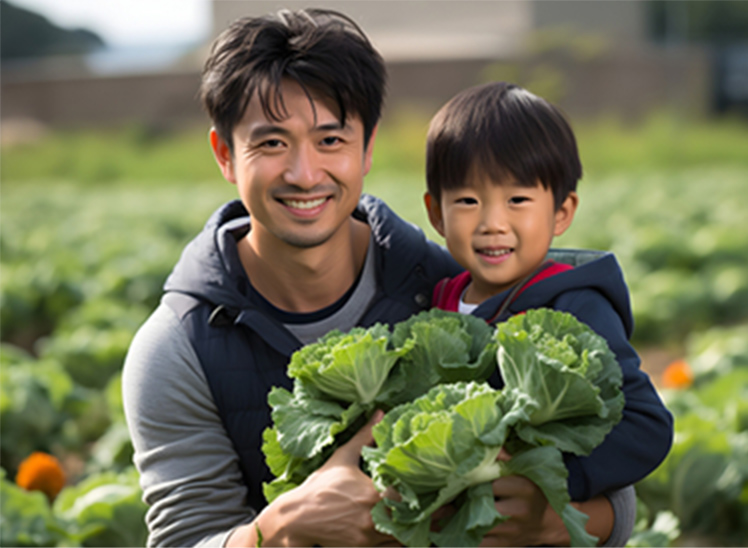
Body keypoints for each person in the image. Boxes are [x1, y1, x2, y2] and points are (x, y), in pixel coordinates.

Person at [123, 9, 638, 548]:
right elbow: (185, 537)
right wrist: (273, 532)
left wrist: (552, 519)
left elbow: (611, 480)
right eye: (272, 143)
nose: (304, 174)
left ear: (367, 149)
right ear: (226, 154)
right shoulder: (175, 348)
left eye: (330, 141)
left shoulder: (454, 292)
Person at [424, 81, 673, 509]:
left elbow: (647, 425)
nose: (492, 223)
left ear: (561, 212)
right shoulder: (436, 301)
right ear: (435, 214)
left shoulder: (576, 306)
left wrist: (555, 482)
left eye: (517, 199)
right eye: (467, 200)